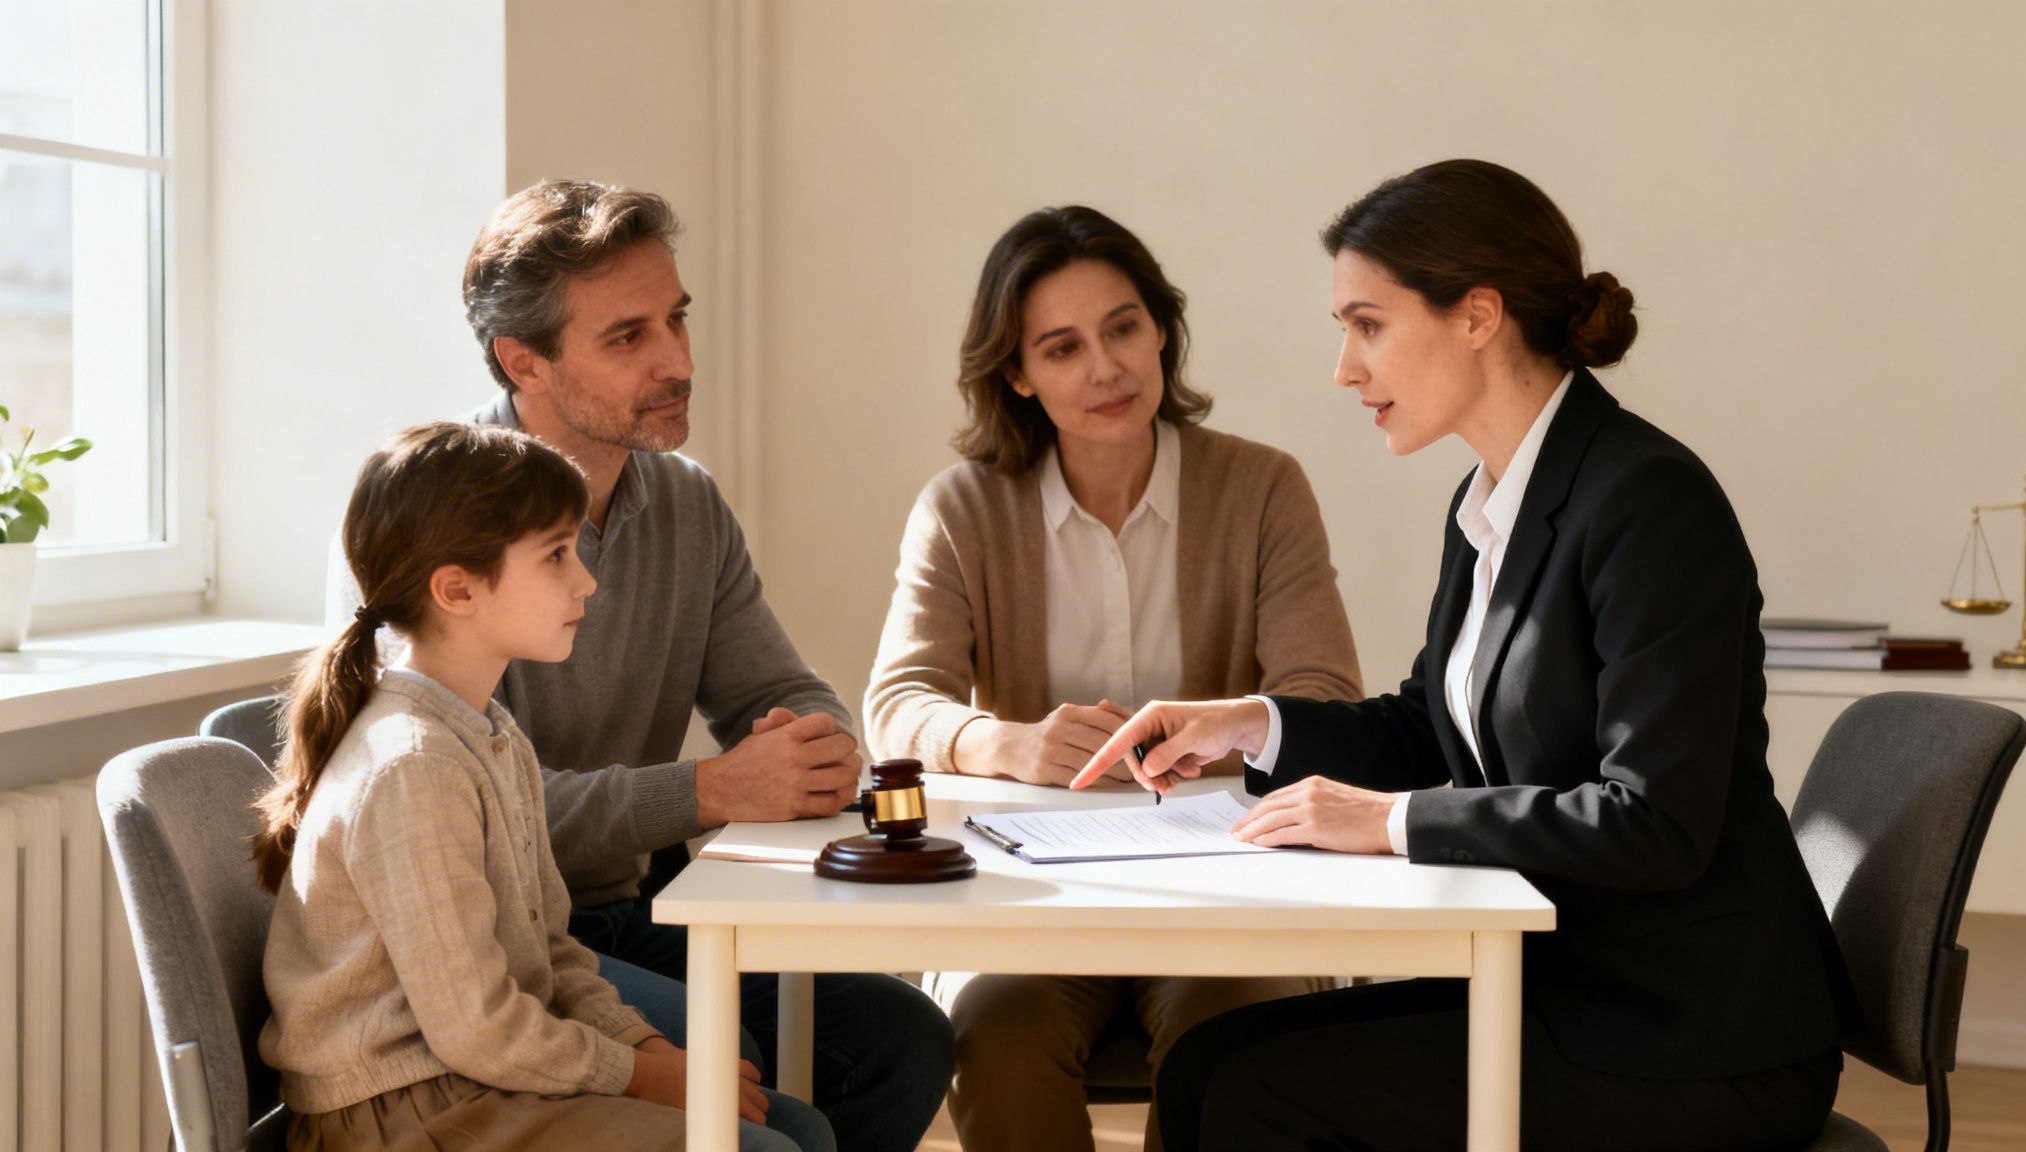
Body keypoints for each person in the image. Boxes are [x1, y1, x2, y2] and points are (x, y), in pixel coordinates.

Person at [1071, 160, 1861, 1152]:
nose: (1344, 368)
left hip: (1687, 1039)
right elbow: (1428, 725)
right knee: (1200, 1067)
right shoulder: (1488, 500)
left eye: (1367, 325)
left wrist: (1389, 822)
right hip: (1563, 990)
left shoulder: (1647, 502)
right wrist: (1249, 722)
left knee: (1251, 1096)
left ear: (1476, 315)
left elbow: (1654, 823)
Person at [329, 181, 950, 1152]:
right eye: (627, 338)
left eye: (676, 319)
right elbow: (488, 819)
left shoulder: (686, 505)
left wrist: (806, 745)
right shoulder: (439, 532)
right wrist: (707, 790)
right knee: (737, 1052)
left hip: (622, 916)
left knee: (899, 1040)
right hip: (497, 952)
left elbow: (775, 691)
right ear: (520, 360)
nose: (677, 362)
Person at [863, 205, 1363, 1152]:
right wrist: (1004, 743)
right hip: (1029, 900)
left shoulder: (1263, 489)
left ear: (1162, 331)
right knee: (993, 1047)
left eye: (1124, 327)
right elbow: (895, 707)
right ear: (1016, 373)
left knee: (1235, 1051)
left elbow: (1327, 699)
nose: (1105, 368)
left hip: (1225, 888)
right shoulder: (963, 507)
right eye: (1061, 347)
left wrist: (1228, 726)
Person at [258, 422, 834, 1151]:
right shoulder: (413, 768)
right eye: (557, 556)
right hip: (403, 1111)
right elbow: (476, 1026)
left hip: (469, 1075)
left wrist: (645, 1051)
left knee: (798, 1128)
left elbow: (549, 952)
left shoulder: (489, 733)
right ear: (457, 589)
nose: (585, 580)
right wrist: (633, 1076)